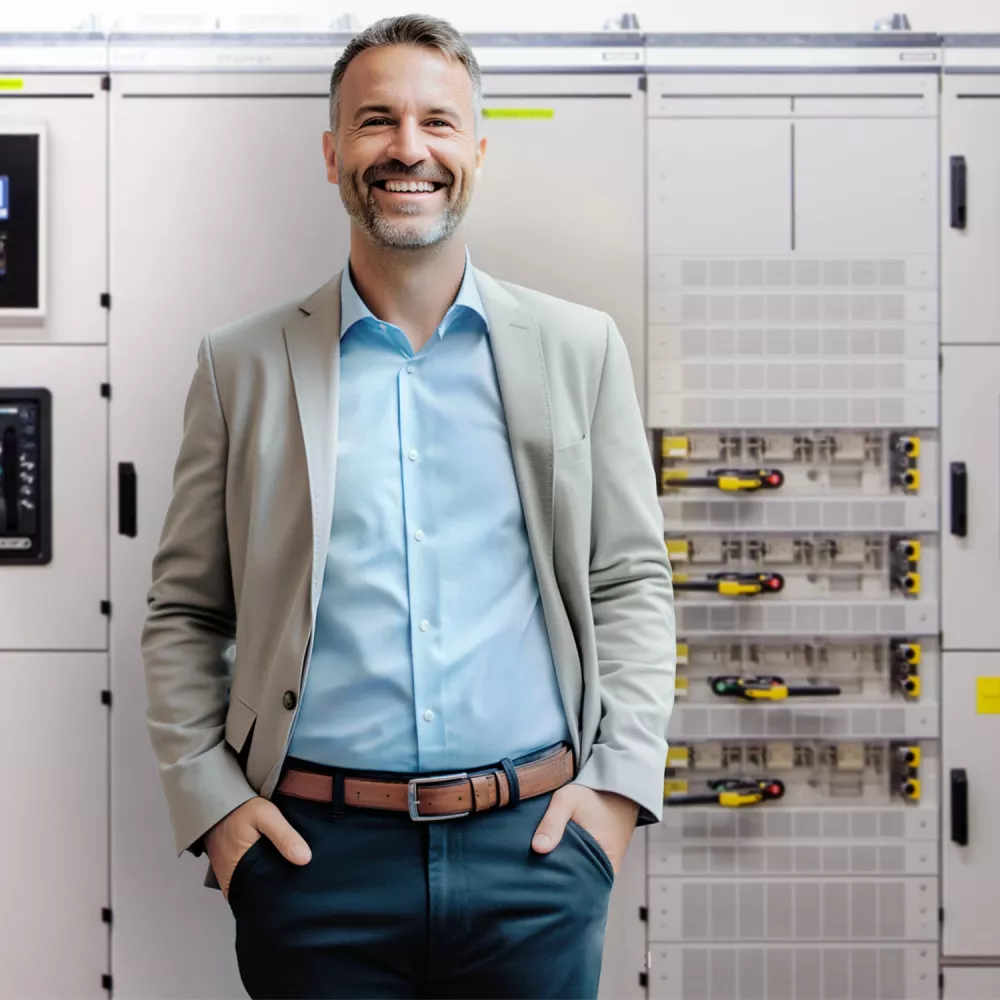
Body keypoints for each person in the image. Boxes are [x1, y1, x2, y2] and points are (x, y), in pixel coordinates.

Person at [141, 13, 675, 1000]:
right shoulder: (242, 366)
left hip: (536, 853)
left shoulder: (577, 348)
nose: (407, 148)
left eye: (436, 121)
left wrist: (611, 798)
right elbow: (185, 614)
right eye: (376, 121)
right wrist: (216, 811)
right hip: (312, 864)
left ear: (477, 149)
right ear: (333, 152)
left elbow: (630, 579)